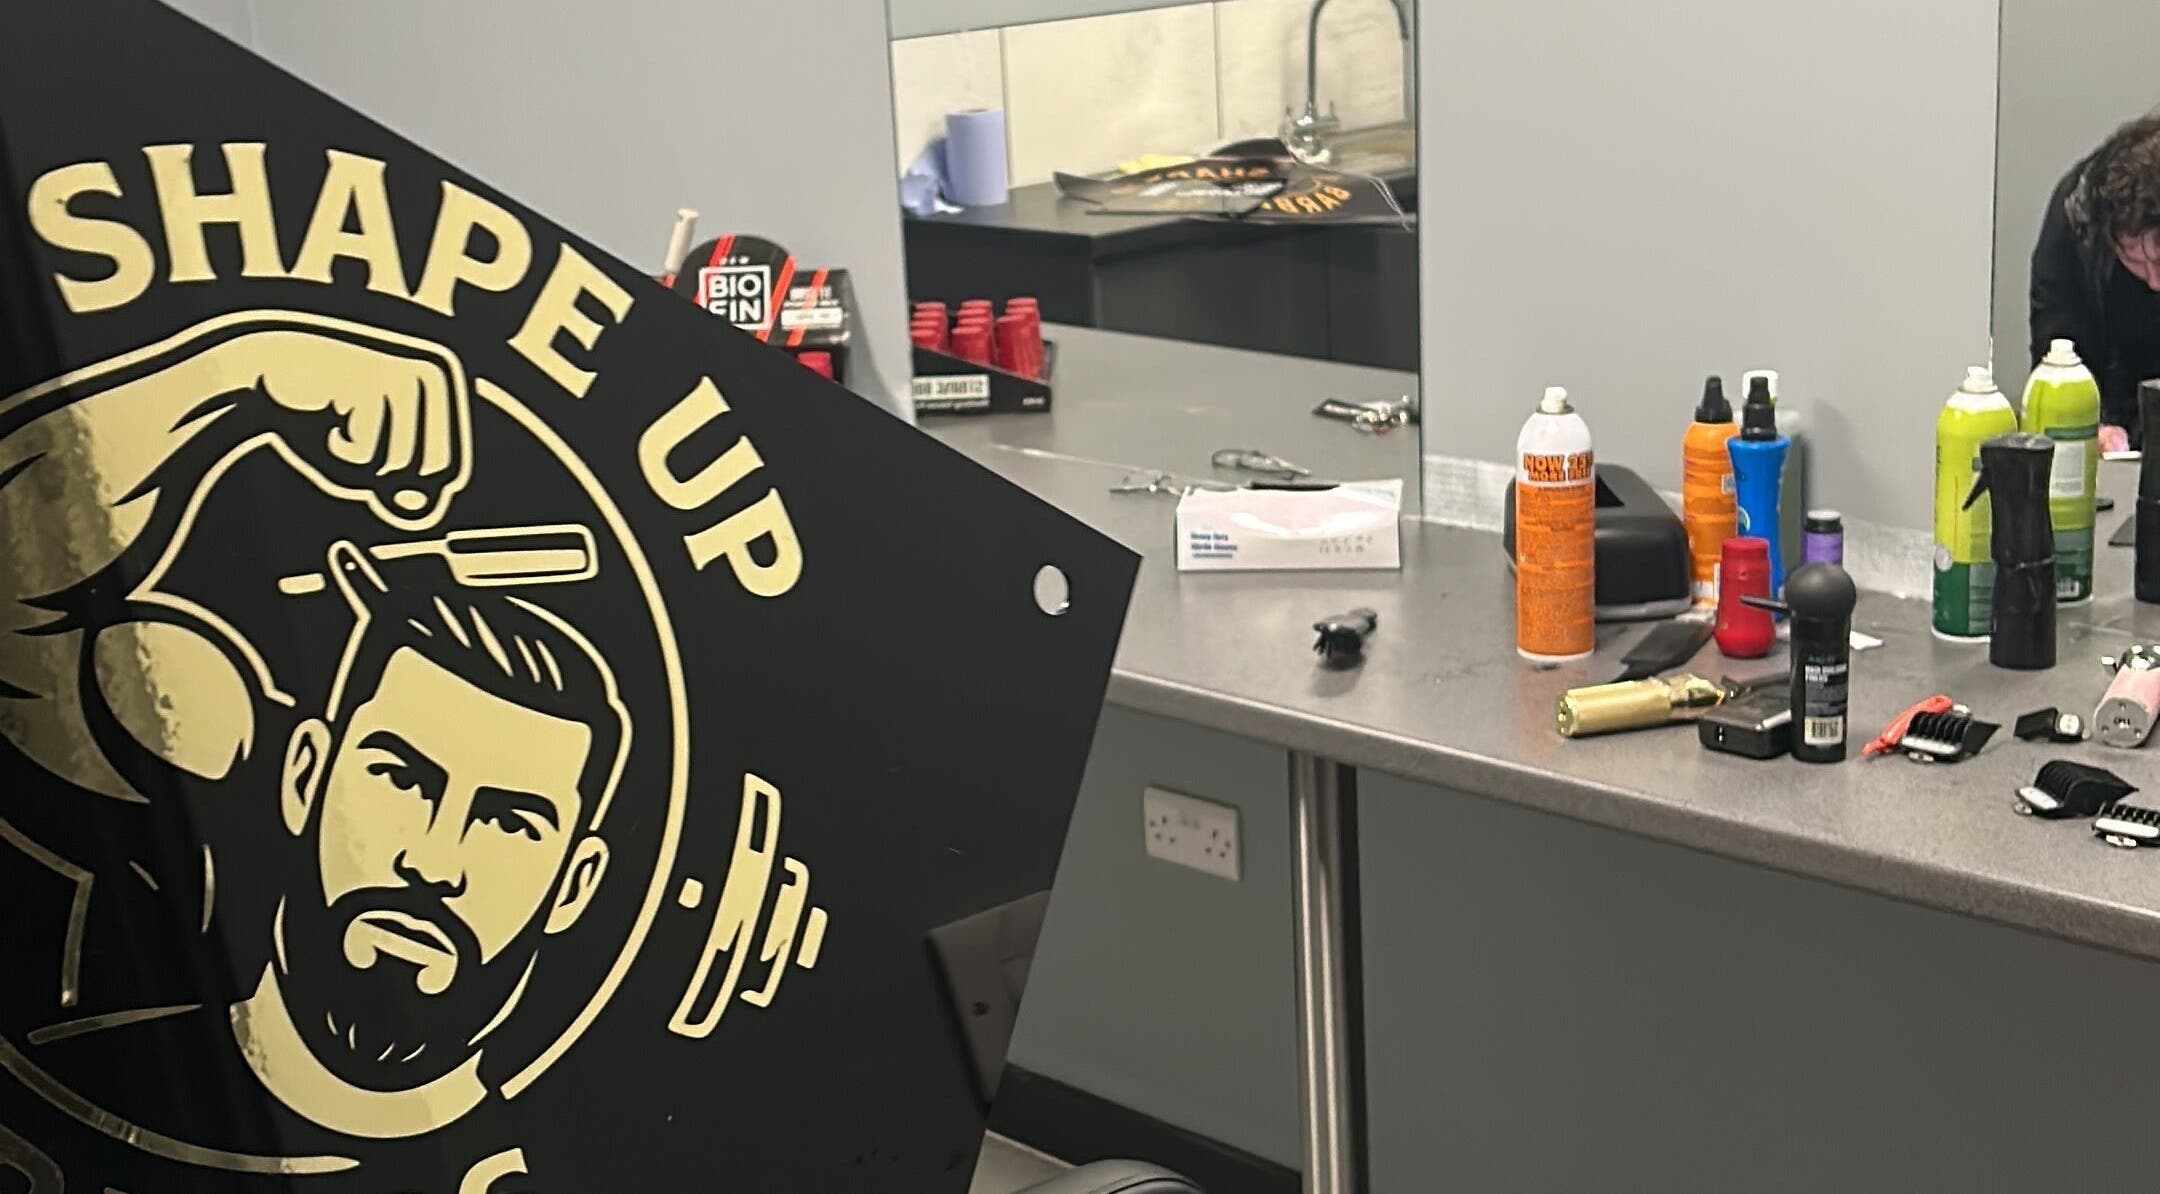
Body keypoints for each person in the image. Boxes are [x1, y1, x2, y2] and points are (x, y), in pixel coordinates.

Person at [2031, 112, 2160, 453]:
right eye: (2135, 260)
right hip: (2113, 416)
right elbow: (2056, 351)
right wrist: (2092, 426)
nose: (2155, 280)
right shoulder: (2074, 224)